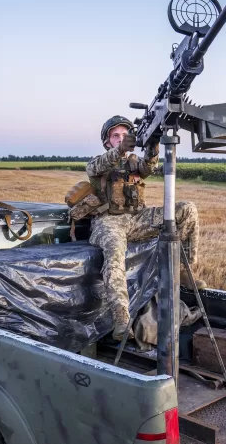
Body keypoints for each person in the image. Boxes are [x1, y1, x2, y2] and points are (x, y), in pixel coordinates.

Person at [85, 115, 201, 339]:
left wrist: (153, 143)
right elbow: (102, 164)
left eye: (124, 135)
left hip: (137, 218)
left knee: (187, 209)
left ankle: (184, 269)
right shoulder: (97, 162)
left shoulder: (133, 162)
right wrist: (120, 151)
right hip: (108, 221)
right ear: (107, 141)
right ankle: (121, 319)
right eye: (115, 136)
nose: (120, 139)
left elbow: (148, 166)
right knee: (114, 253)